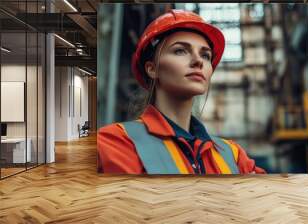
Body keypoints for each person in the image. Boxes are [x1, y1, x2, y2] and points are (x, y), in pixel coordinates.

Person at [97, 9, 266, 174]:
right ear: (152, 69)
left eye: (205, 55)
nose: (198, 61)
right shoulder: (114, 144)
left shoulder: (233, 156)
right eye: (180, 50)